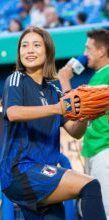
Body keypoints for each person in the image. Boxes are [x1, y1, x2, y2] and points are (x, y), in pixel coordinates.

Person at [0, 26, 107, 220]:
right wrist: (57, 108)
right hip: (20, 170)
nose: (29, 50)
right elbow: (13, 113)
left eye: (36, 45)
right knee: (90, 185)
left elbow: (75, 132)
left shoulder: (54, 92)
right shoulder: (16, 79)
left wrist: (86, 113)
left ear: (48, 51)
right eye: (24, 46)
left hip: (42, 175)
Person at [58, 28, 109, 219]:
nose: (84, 55)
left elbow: (77, 109)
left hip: (105, 149)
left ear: (102, 51)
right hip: (95, 150)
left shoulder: (107, 74)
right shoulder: (98, 76)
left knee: (103, 211)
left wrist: (64, 81)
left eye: (88, 49)